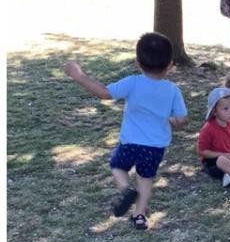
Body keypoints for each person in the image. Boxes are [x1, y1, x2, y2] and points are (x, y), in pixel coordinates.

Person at [63, 32, 188, 230]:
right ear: (170, 65)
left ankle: (126, 189)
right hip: (155, 147)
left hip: (130, 142)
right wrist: (172, 121)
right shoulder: (173, 90)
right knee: (145, 179)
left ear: (138, 62)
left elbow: (104, 93)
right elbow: (182, 119)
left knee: (117, 166)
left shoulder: (132, 82)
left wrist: (78, 75)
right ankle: (139, 216)